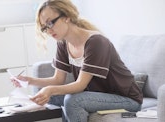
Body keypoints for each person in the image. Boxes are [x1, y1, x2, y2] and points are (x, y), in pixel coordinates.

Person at [11, 0, 143, 122]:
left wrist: (50, 89)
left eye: (50, 23)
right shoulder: (63, 43)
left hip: (126, 99)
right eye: (45, 27)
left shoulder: (96, 42)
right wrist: (29, 80)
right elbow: (57, 80)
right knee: (49, 97)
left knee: (73, 100)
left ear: (67, 16)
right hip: (99, 96)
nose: (49, 30)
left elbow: (80, 85)